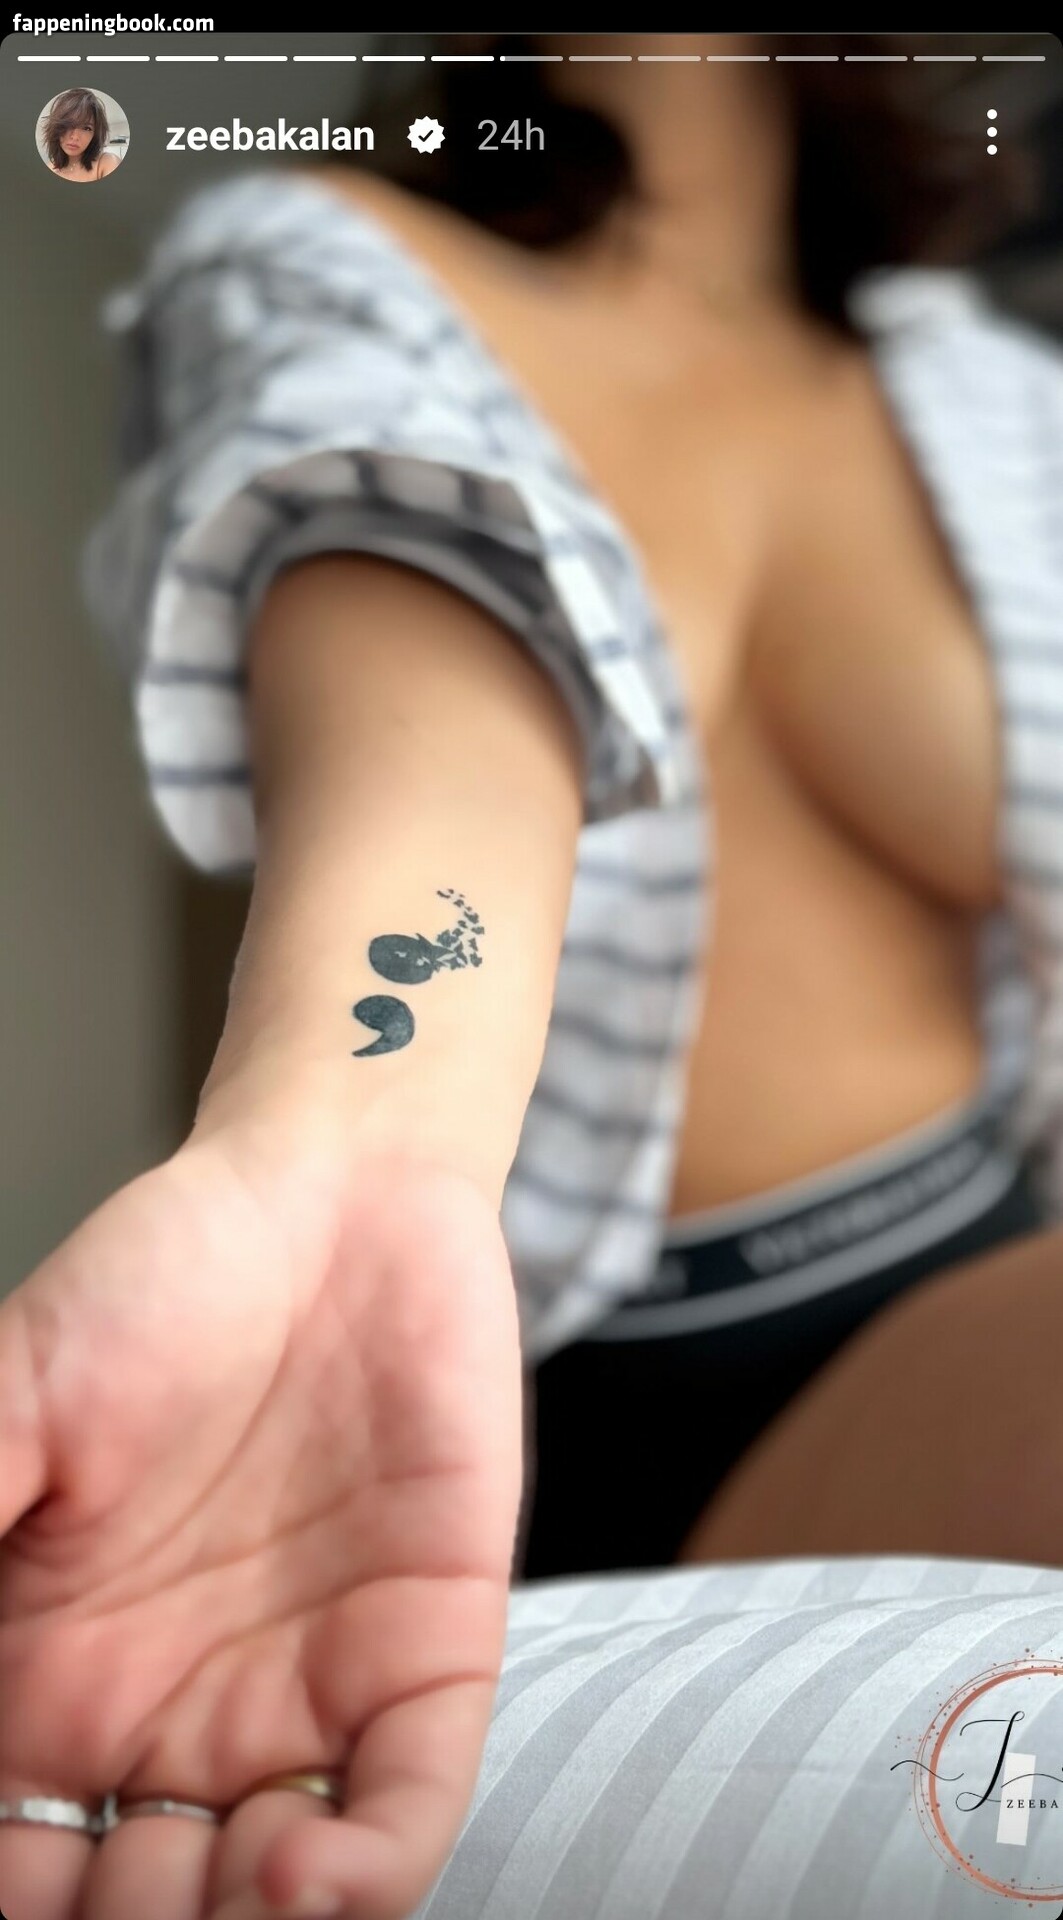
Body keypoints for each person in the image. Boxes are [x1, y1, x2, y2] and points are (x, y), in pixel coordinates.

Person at [1, 29, 1061, 1920]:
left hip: (975, 1273)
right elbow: (426, 618)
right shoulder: (315, 260)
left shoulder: (987, 388)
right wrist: (340, 1159)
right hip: (552, 1392)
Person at [42, 87, 119, 181]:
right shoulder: (50, 168)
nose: (75, 137)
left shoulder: (107, 163)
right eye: (69, 125)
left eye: (87, 128)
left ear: (94, 135)